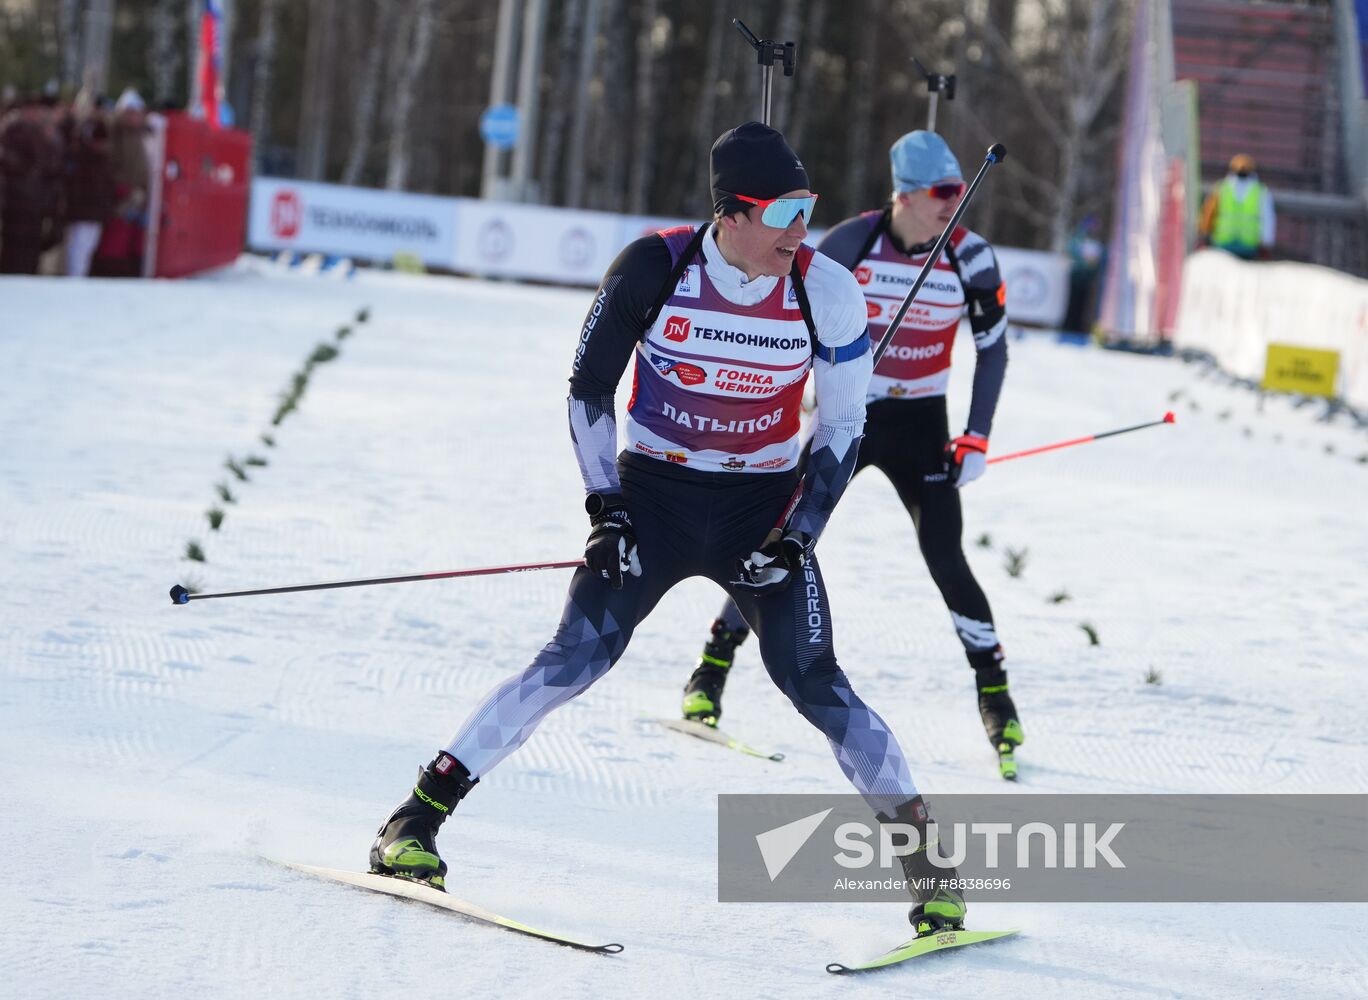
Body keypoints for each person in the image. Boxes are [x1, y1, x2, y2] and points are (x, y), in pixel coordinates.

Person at [369, 122, 966, 935]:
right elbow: (588, 391)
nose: (802, 230)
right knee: (573, 661)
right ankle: (414, 821)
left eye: (810, 208)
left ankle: (931, 872)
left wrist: (800, 535)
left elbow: (841, 430)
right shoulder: (657, 266)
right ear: (733, 213)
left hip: (761, 507)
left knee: (819, 686)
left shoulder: (826, 289)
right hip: (655, 495)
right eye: (786, 211)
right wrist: (607, 508)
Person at [680, 130, 1024, 778]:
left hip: (922, 421)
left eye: (959, 189)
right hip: (852, 415)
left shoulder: (971, 258)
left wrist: (976, 433)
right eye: (941, 192)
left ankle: (997, 698)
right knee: (783, 536)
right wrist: (801, 398)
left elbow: (995, 348)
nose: (955, 202)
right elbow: (785, 310)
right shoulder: (850, 244)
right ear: (903, 196)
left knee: (946, 553)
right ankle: (712, 667)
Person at [1198, 154, 1275, 260]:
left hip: (1225, 243)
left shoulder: (1221, 188)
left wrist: (1204, 236)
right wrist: (1266, 244)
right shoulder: (1260, 191)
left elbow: (1208, 212)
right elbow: (1267, 219)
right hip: (1247, 246)